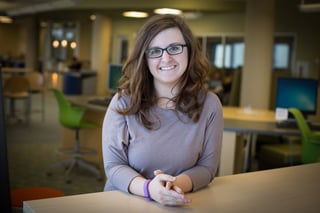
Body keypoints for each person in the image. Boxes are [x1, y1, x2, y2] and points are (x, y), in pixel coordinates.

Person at [102, 14, 223, 206]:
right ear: (145, 58)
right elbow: (114, 166)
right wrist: (150, 188)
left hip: (179, 202)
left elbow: (207, 168)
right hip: (123, 202)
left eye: (174, 48)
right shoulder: (124, 102)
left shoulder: (210, 104)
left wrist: (172, 187)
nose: (166, 58)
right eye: (155, 51)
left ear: (189, 51)